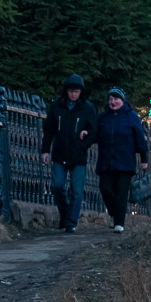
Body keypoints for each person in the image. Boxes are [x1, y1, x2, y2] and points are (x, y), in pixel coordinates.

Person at [40, 74, 98, 232]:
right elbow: (49, 129)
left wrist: (84, 141)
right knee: (57, 185)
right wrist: (45, 150)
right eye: (71, 91)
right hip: (60, 152)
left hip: (78, 155)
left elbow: (94, 131)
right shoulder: (57, 106)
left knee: (77, 190)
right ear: (66, 91)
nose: (73, 94)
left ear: (81, 92)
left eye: (76, 91)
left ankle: (71, 223)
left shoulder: (87, 108)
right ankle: (66, 215)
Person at [95, 87, 149, 233]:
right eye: (110, 99)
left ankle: (119, 223)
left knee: (121, 193)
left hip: (125, 161)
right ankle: (113, 213)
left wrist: (144, 158)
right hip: (106, 161)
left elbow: (139, 137)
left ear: (122, 100)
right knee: (105, 189)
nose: (113, 102)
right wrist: (85, 134)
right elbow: (95, 134)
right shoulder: (103, 118)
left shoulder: (131, 116)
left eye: (116, 99)